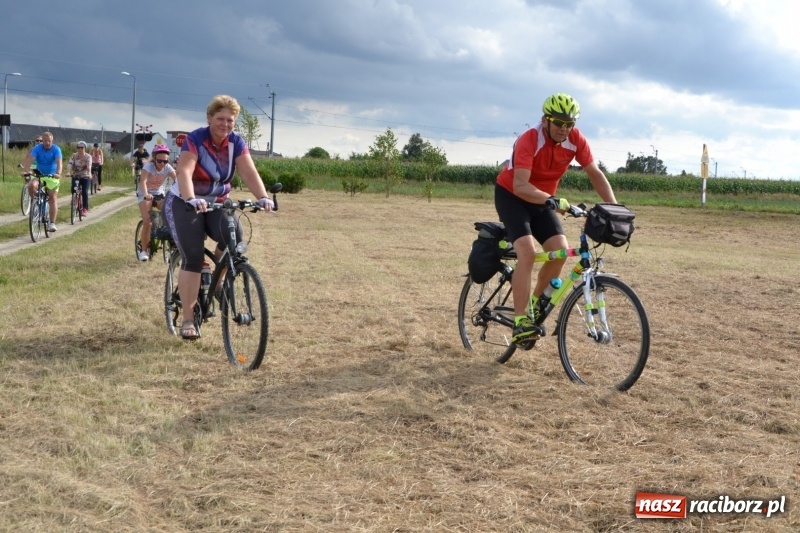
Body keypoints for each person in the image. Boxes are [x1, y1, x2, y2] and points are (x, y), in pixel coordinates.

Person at [494, 93, 618, 344]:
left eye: (569, 124)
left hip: (543, 201)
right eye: (559, 123)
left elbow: (594, 172)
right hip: (513, 197)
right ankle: (520, 322)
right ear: (545, 120)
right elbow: (520, 185)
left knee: (560, 250)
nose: (564, 129)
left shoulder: (575, 139)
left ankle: (532, 307)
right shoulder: (530, 139)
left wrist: (614, 208)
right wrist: (553, 200)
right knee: (527, 253)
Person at [163, 94, 274, 340]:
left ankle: (219, 277)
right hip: (185, 202)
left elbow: (248, 171)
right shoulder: (195, 139)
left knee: (235, 233)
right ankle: (189, 320)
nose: (225, 124)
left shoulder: (236, 142)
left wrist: (264, 196)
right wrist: (191, 197)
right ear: (209, 118)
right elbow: (185, 170)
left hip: (217, 202)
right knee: (192, 257)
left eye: (230, 120)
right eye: (220, 118)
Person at [137, 144, 176, 261]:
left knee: (170, 214)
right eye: (160, 161)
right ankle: (144, 250)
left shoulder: (168, 167)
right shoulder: (148, 166)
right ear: (154, 159)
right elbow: (143, 181)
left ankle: (171, 242)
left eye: (165, 161)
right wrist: (145, 195)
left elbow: (178, 180)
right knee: (148, 222)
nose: (162, 164)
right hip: (146, 194)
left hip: (159, 194)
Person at [22, 131, 63, 232]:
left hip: (52, 176)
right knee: (31, 185)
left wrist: (58, 173)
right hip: (40, 174)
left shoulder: (56, 149)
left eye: (49, 141)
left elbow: (59, 162)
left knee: (52, 197)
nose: (47, 143)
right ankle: (36, 204)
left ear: (52, 140)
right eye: (45, 141)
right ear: (42, 141)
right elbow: (30, 160)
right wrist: (27, 171)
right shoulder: (37, 148)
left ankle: (52, 223)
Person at [68, 141, 92, 217]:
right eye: (78, 147)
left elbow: (89, 166)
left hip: (85, 176)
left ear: (85, 148)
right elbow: (70, 164)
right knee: (73, 188)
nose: (80, 149)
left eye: (82, 147)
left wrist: (90, 173)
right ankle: (74, 198)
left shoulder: (88, 156)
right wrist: (68, 171)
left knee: (84, 192)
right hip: (76, 175)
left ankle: (85, 208)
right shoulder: (74, 156)